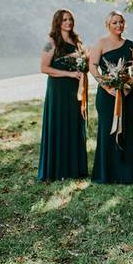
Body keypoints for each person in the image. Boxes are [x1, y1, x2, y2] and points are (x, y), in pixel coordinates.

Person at [38, 9, 88, 181]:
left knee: (73, 123)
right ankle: (56, 169)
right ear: (58, 22)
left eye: (70, 19)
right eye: (65, 20)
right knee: (59, 124)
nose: (68, 22)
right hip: (58, 90)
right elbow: (44, 68)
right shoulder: (50, 42)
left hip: (74, 90)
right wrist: (69, 74)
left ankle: (74, 168)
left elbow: (82, 63)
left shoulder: (76, 41)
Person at [90, 10, 133, 184]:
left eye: (121, 22)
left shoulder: (131, 44)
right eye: (114, 23)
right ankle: (106, 173)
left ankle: (127, 173)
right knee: (107, 130)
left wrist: (129, 85)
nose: (118, 25)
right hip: (107, 94)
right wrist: (105, 86)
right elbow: (93, 67)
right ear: (108, 25)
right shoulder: (100, 43)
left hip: (126, 93)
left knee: (126, 128)